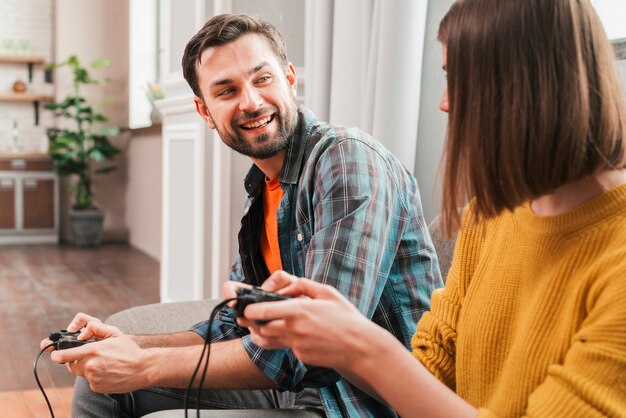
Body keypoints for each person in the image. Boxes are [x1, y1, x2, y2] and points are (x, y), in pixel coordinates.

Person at [233, 0, 626, 417]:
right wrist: (338, 334)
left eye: (459, 80)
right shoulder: (489, 216)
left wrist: (364, 346)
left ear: (528, 86)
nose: (444, 102)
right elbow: (429, 374)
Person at [42, 13, 441, 418]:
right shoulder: (263, 188)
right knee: (100, 385)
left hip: (356, 403)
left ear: (289, 79)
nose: (250, 101)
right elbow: (237, 329)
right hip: (294, 389)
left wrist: (143, 366)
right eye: (227, 90)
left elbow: (316, 353)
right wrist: (127, 344)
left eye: (262, 78)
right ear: (205, 112)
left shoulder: (347, 160)